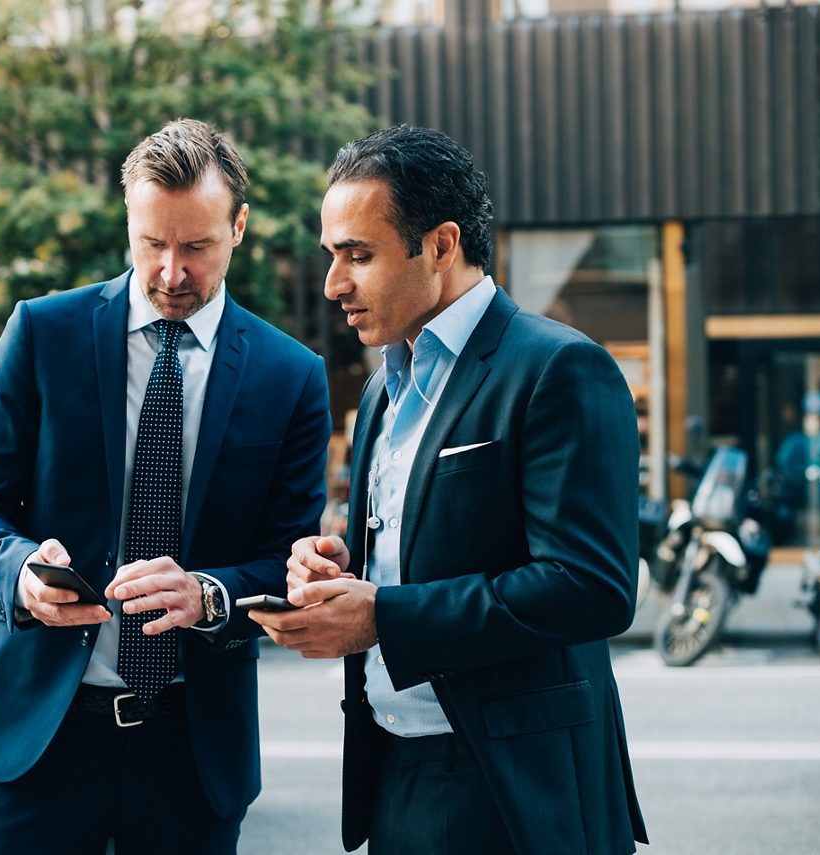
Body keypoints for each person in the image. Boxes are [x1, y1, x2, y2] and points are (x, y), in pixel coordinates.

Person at [251, 125, 649, 854]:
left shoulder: (559, 368)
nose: (335, 284)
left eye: (357, 255)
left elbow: (592, 585)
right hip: (394, 776)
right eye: (331, 257)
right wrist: (339, 571)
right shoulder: (381, 389)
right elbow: (414, 553)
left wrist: (385, 616)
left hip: (517, 790)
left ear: (440, 244)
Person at [0, 118, 331, 854]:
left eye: (197, 246)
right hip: (37, 743)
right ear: (128, 223)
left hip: (192, 749)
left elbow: (288, 559)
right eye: (152, 244)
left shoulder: (293, 378)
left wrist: (210, 593)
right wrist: (18, 571)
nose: (171, 273)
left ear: (239, 225)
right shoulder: (41, 333)